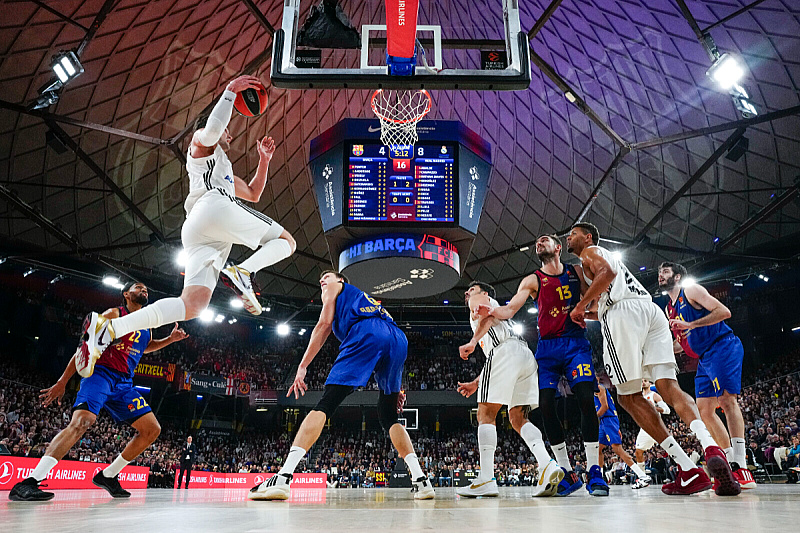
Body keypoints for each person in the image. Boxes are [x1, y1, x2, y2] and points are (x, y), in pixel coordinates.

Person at [81, 75, 295, 373]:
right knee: (287, 242)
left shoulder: (225, 170)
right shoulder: (200, 146)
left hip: (200, 230)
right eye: (227, 131)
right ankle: (244, 271)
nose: (229, 136)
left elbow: (255, 194)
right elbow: (213, 130)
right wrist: (231, 92)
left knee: (194, 305)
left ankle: (110, 330)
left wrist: (265, 160)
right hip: (212, 207)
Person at [566, 222, 739, 496]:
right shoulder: (607, 262)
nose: (568, 237)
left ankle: (687, 468)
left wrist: (579, 305)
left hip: (622, 316)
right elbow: (604, 297)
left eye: (573, 234)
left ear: (587, 237)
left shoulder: (591, 252)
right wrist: (584, 313)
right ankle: (710, 446)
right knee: (670, 387)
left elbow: (607, 275)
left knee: (628, 396)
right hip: (650, 311)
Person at [248, 270, 434, 500]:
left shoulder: (335, 289)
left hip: (367, 333)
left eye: (326, 276)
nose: (322, 281)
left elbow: (324, 324)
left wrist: (303, 365)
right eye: (321, 279)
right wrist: (397, 389)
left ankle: (283, 477)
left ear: (341, 280)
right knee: (388, 415)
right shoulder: (367, 300)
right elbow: (385, 342)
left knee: (326, 404)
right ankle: (421, 480)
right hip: (397, 337)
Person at [8, 282, 188, 501]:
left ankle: (108, 476)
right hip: (100, 375)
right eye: (138, 287)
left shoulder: (146, 324)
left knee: (152, 429)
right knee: (82, 422)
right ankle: (29, 482)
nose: (144, 290)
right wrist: (63, 381)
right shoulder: (114, 314)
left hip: (124, 384)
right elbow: (87, 345)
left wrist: (169, 340)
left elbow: (145, 346)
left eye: (146, 289)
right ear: (126, 294)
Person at [482, 234, 607, 497]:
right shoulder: (532, 280)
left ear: (558, 248)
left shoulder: (575, 272)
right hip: (548, 348)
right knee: (546, 405)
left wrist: (586, 312)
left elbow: (593, 298)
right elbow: (510, 309)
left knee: (586, 398)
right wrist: (491, 312)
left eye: (545, 240)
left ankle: (595, 470)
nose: (539, 243)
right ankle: (567, 471)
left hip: (575, 343)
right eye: (537, 243)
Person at [456, 281, 563, 498]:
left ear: (485, 292)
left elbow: (487, 317)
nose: (468, 293)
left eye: (472, 289)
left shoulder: (479, 300)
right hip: (523, 355)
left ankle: (486, 478)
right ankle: (547, 464)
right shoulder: (495, 308)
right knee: (517, 418)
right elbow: (498, 350)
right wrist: (478, 382)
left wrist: (473, 341)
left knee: (485, 414)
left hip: (505, 352)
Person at [659, 262, 756, 490]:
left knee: (727, 400)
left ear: (678, 275)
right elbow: (681, 345)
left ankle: (742, 464)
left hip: (722, 346)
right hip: (703, 358)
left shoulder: (691, 291)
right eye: (660, 273)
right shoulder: (668, 309)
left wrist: (690, 323)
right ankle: (731, 461)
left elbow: (724, 312)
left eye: (665, 272)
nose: (660, 276)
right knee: (704, 411)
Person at [595, 382, 651, 489]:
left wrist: (592, 417)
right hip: (605, 421)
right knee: (598, 448)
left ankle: (642, 476)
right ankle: (600, 479)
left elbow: (605, 407)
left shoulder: (599, 388)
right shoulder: (596, 389)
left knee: (618, 450)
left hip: (608, 419)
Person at [631, 380, 672, 480]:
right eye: (641, 381)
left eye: (645, 381)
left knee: (671, 449)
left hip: (656, 425)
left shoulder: (654, 395)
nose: (643, 383)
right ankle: (643, 477)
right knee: (638, 451)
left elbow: (667, 410)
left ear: (650, 383)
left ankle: (686, 469)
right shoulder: (639, 397)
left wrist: (654, 408)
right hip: (644, 427)